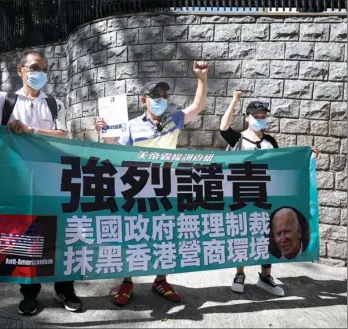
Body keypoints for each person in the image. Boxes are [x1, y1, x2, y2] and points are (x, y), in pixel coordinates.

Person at [0, 35, 82, 316]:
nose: (41, 74)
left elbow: (63, 134)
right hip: (18, 183)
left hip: (52, 181)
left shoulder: (54, 104)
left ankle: (65, 289)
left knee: (61, 236)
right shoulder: (4, 101)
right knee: (27, 237)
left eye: (45, 69)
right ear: (21, 71)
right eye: (35, 68)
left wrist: (31, 130)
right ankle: (29, 291)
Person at [95, 61, 209, 306]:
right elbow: (116, 155)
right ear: (143, 99)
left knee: (165, 235)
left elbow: (198, 107)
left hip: (167, 189)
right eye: (154, 95)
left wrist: (201, 78)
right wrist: (101, 133)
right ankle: (126, 281)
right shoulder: (131, 126)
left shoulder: (174, 120)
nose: (160, 98)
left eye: (163, 95)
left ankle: (160, 280)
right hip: (137, 191)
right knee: (133, 235)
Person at [219, 91, 284, 296]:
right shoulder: (237, 138)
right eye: (256, 115)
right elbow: (223, 127)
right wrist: (234, 101)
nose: (260, 118)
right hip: (241, 195)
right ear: (247, 117)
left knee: (268, 234)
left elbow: (283, 162)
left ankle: (266, 276)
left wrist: (307, 154)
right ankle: (240, 273)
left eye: (263, 115)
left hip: (265, 195)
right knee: (242, 233)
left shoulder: (270, 140)